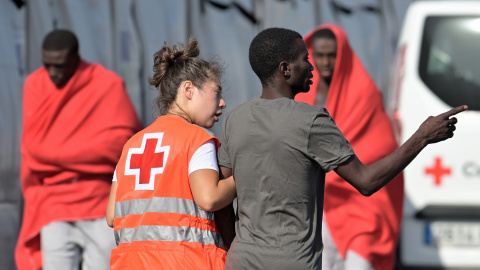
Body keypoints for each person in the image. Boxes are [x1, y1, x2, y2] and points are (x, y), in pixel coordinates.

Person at [217, 27, 466, 269]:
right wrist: (422, 137)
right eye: (305, 59)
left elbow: (223, 202)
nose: (312, 66)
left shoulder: (233, 120)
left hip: (242, 260)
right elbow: (366, 181)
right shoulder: (312, 120)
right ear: (285, 69)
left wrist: (236, 251)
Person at [16, 29, 142, 270]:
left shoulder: (106, 84)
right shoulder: (35, 83)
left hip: (100, 204)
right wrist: (89, 152)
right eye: (47, 65)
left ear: (76, 58)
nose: (53, 73)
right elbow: (33, 148)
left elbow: (124, 146)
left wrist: (54, 153)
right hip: (53, 205)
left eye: (60, 65)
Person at [106, 38, 236, 269]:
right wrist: (244, 175)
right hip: (185, 262)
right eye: (217, 92)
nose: (223, 103)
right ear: (188, 89)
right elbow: (210, 198)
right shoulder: (197, 138)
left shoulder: (132, 145)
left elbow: (112, 216)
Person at [295, 24, 403, 270]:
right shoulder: (301, 94)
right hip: (316, 201)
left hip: (359, 198)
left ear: (342, 53)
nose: (325, 61)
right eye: (318, 55)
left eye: (331, 55)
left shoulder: (364, 93)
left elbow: (379, 145)